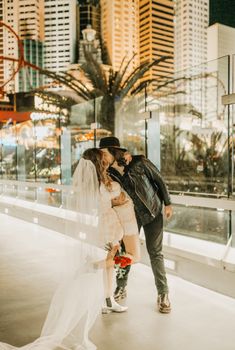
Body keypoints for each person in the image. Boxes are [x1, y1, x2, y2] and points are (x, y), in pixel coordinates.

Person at [99, 136, 173, 314]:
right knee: (126, 252)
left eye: (104, 153)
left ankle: (163, 294)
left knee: (155, 253)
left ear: (113, 151)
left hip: (153, 212)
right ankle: (121, 287)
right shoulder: (109, 172)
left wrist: (168, 203)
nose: (102, 157)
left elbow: (159, 179)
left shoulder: (139, 161)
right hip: (131, 217)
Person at [80, 148, 140, 313]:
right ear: (99, 163)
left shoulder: (92, 184)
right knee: (126, 258)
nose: (105, 159)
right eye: (103, 157)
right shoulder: (110, 185)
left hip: (106, 223)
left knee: (110, 262)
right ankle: (92, 267)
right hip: (115, 224)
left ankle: (108, 299)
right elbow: (121, 199)